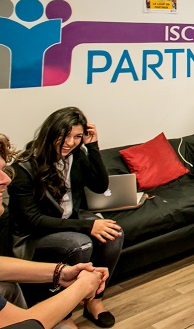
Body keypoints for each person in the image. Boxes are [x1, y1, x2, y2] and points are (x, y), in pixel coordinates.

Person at [9, 108, 124, 328]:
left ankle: (94, 301)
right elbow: (33, 220)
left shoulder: (77, 155)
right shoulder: (24, 167)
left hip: (70, 220)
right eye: (65, 136)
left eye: (77, 137)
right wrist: (87, 226)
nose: (70, 142)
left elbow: (101, 186)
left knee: (114, 234)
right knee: (78, 245)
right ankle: (63, 314)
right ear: (51, 132)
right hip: (34, 234)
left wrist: (92, 146)